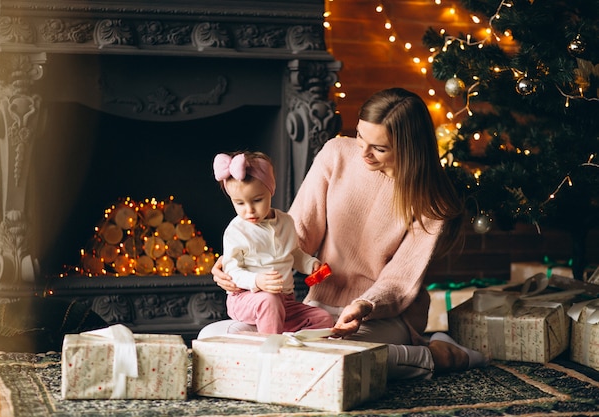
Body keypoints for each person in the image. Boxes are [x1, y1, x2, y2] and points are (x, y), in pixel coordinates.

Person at [202, 88, 487, 379]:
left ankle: (438, 355)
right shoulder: (336, 154)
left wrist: (365, 304)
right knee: (213, 335)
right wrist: (242, 263)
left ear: (409, 147)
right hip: (319, 305)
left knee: (331, 361)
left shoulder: (430, 201)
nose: (362, 151)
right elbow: (296, 235)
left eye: (379, 147)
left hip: (382, 314)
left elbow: (399, 281)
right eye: (361, 136)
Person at [212, 151, 334, 334]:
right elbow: (232, 271)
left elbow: (293, 253)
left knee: (324, 318)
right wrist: (257, 281)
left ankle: (287, 340)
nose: (249, 210)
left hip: (285, 300)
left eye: (257, 200)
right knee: (269, 300)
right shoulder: (236, 231)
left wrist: (310, 264)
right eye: (240, 203)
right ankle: (271, 348)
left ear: (271, 190)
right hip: (246, 298)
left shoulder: (286, 222)